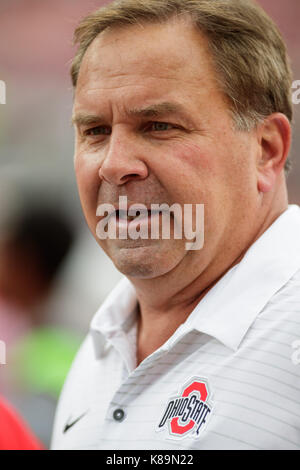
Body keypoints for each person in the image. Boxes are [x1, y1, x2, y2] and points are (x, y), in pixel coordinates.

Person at [51, 0, 300, 450]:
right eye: (95, 131)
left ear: (266, 149)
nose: (114, 165)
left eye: (159, 125)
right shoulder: (103, 340)